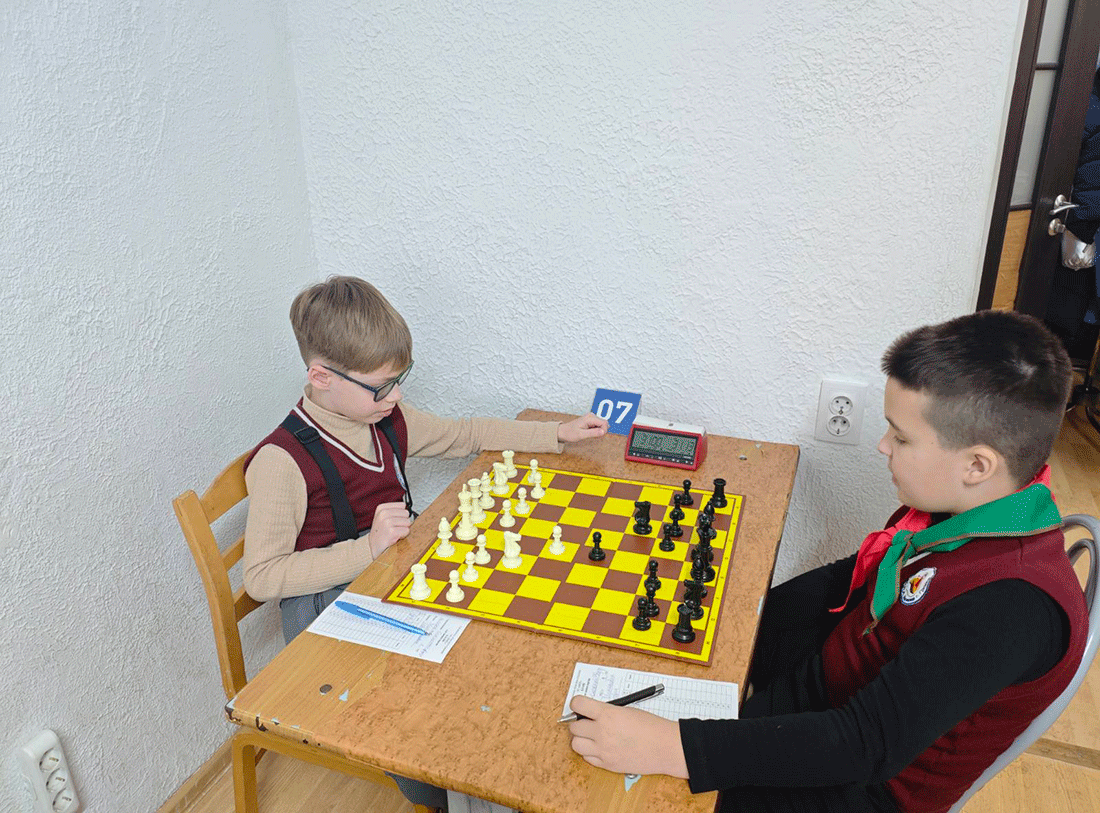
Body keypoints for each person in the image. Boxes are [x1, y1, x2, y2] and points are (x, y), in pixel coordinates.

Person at [567, 310, 1088, 813]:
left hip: (855, 783)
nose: (882, 446)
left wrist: (673, 747)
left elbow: (865, 744)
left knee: (591, 787)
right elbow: (853, 580)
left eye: (901, 437)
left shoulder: (1011, 606)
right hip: (820, 693)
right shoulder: (964, 508)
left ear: (977, 465)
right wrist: (729, 616)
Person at [243, 275, 607, 809]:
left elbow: (465, 435)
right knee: (439, 689)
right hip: (327, 612)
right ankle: (441, 789)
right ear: (321, 377)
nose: (396, 396)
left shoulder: (386, 418)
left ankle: (488, 769)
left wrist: (556, 434)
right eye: (381, 386)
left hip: (388, 575)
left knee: (500, 624)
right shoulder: (282, 461)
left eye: (400, 379)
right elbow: (261, 578)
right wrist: (366, 550)